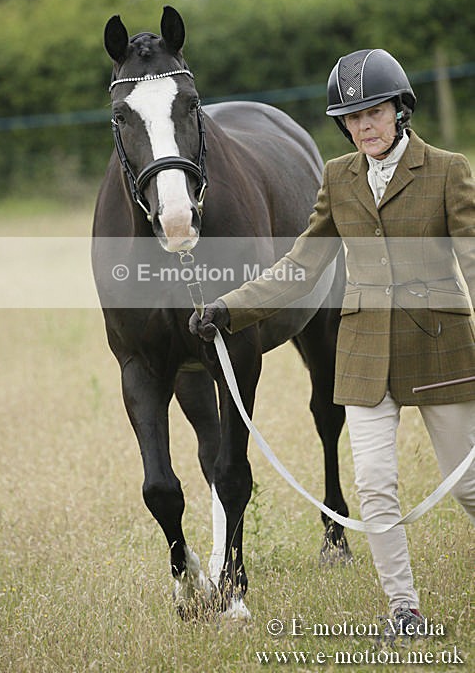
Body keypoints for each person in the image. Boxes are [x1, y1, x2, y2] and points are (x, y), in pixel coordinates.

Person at [189, 49, 475, 639]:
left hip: (439, 350)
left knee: (468, 486)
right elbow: (300, 266)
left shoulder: (449, 170)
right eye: (352, 117)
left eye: (375, 111)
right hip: (365, 357)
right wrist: (230, 308)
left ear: (401, 109)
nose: (365, 125)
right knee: (373, 485)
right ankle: (404, 609)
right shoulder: (338, 177)